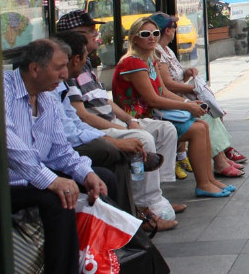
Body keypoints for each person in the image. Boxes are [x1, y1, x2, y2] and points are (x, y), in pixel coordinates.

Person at [4, 39, 111, 274]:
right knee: (57, 200)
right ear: (34, 68)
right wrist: (51, 180)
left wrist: (85, 173)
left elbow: (61, 150)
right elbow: (9, 146)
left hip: (33, 176)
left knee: (101, 178)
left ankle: (107, 271)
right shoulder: (2, 91)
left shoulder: (48, 98)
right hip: (4, 183)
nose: (65, 75)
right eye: (59, 68)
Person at [55, 30, 179, 229]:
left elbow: (82, 117)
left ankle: (154, 200)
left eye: (155, 33)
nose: (96, 34)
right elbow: (79, 121)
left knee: (165, 130)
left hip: (103, 125)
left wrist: (129, 121)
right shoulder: (63, 81)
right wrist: (115, 139)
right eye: (89, 31)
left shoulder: (74, 74)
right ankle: (140, 210)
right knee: (125, 148)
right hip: (90, 131)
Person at [112, 16, 235, 198]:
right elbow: (153, 100)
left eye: (155, 33)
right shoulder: (132, 62)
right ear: (134, 38)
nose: (152, 37)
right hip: (140, 120)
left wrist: (188, 103)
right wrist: (187, 107)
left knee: (203, 125)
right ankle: (203, 183)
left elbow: (162, 92)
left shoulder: (150, 59)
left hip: (154, 114)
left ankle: (209, 179)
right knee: (198, 130)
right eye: (145, 34)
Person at [150, 13, 246, 175]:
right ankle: (219, 162)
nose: (175, 30)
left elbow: (173, 81)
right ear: (167, 30)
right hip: (169, 104)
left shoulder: (167, 51)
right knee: (205, 116)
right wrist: (191, 93)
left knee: (209, 112)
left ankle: (221, 156)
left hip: (177, 98)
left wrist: (187, 73)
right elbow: (165, 87)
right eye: (174, 27)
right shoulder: (156, 54)